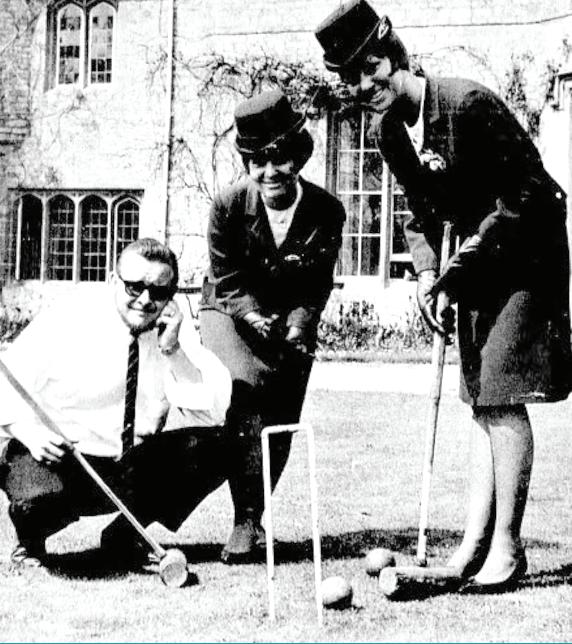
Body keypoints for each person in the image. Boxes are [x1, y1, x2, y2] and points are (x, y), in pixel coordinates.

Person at [315, 0, 572, 589]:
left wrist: (455, 271)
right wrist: (429, 274)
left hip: (527, 252)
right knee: (482, 398)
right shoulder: (387, 132)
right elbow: (420, 211)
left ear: (395, 56)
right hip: (475, 261)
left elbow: (526, 196)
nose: (364, 86)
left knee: (502, 393)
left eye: (371, 68)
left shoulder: (466, 104)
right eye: (350, 78)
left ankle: (507, 547)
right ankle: (470, 549)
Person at [0, 238, 232, 569]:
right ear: (113, 280)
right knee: (37, 492)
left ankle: (124, 536)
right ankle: (30, 544)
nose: (145, 300)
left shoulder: (172, 329)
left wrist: (172, 349)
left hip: (127, 466)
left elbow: (212, 412)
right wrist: (29, 433)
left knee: (217, 446)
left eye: (159, 291)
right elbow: (6, 379)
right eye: (134, 287)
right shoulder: (68, 318)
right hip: (61, 459)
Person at [200, 90, 346, 563]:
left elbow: (316, 283)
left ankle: (253, 517)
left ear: (298, 157)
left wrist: (299, 327)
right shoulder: (227, 206)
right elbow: (226, 277)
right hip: (229, 312)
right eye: (257, 162)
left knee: (283, 410)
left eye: (279, 159)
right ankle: (242, 521)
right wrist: (252, 315)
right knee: (246, 389)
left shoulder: (327, 210)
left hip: (289, 320)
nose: (269, 173)